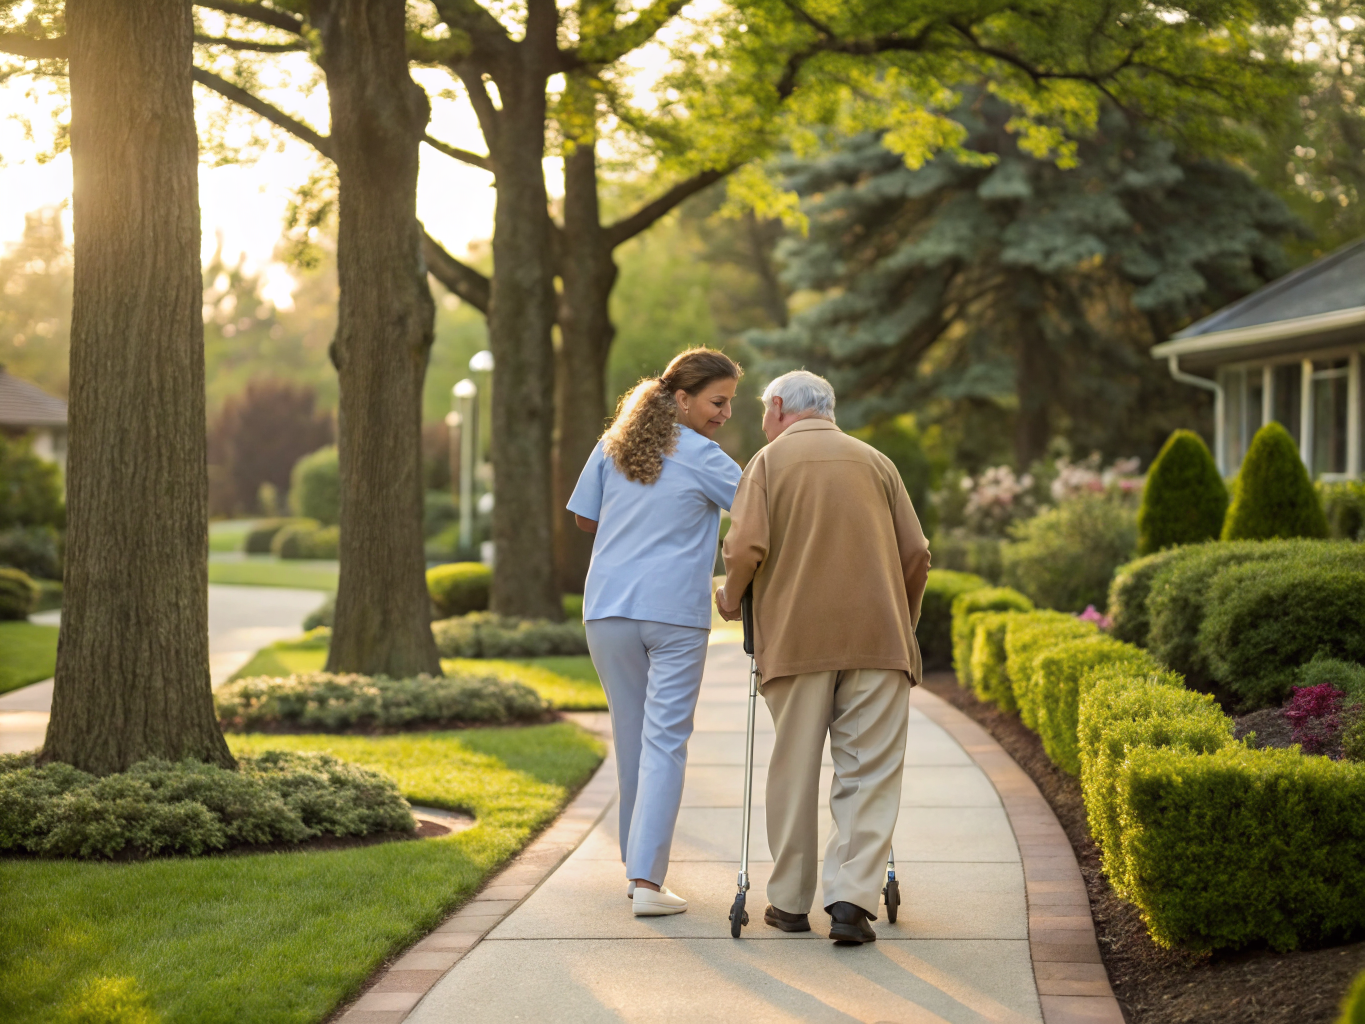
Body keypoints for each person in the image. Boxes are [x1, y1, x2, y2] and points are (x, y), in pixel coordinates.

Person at [716, 369, 931, 943]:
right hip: (878, 640)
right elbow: (916, 553)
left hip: (795, 642)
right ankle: (850, 902)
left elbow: (744, 547)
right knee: (867, 773)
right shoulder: (877, 462)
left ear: (780, 406)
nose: (762, 423)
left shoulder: (767, 464)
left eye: (763, 410)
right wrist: (900, 622)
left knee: (794, 767)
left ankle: (788, 903)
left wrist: (730, 596)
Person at [568, 348, 744, 917]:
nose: (725, 414)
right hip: (671, 614)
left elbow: (584, 518)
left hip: (607, 611)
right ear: (683, 398)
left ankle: (635, 873)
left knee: (632, 741)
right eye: (718, 402)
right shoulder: (707, 458)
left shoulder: (612, 445)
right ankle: (647, 883)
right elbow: (759, 512)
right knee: (664, 742)